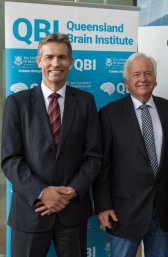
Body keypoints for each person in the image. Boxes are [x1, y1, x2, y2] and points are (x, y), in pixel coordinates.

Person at [1, 33, 102, 257]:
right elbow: (10, 159)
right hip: (30, 212)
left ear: (70, 62)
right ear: (39, 61)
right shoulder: (17, 103)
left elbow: (93, 156)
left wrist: (70, 192)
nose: (55, 63)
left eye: (62, 57)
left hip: (72, 212)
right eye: (49, 57)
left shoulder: (85, 101)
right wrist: (42, 192)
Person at [92, 52, 168, 257]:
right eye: (137, 74)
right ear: (126, 82)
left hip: (163, 210)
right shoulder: (109, 113)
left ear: (156, 80)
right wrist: (103, 205)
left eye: (148, 73)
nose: (143, 79)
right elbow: (102, 164)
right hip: (123, 211)